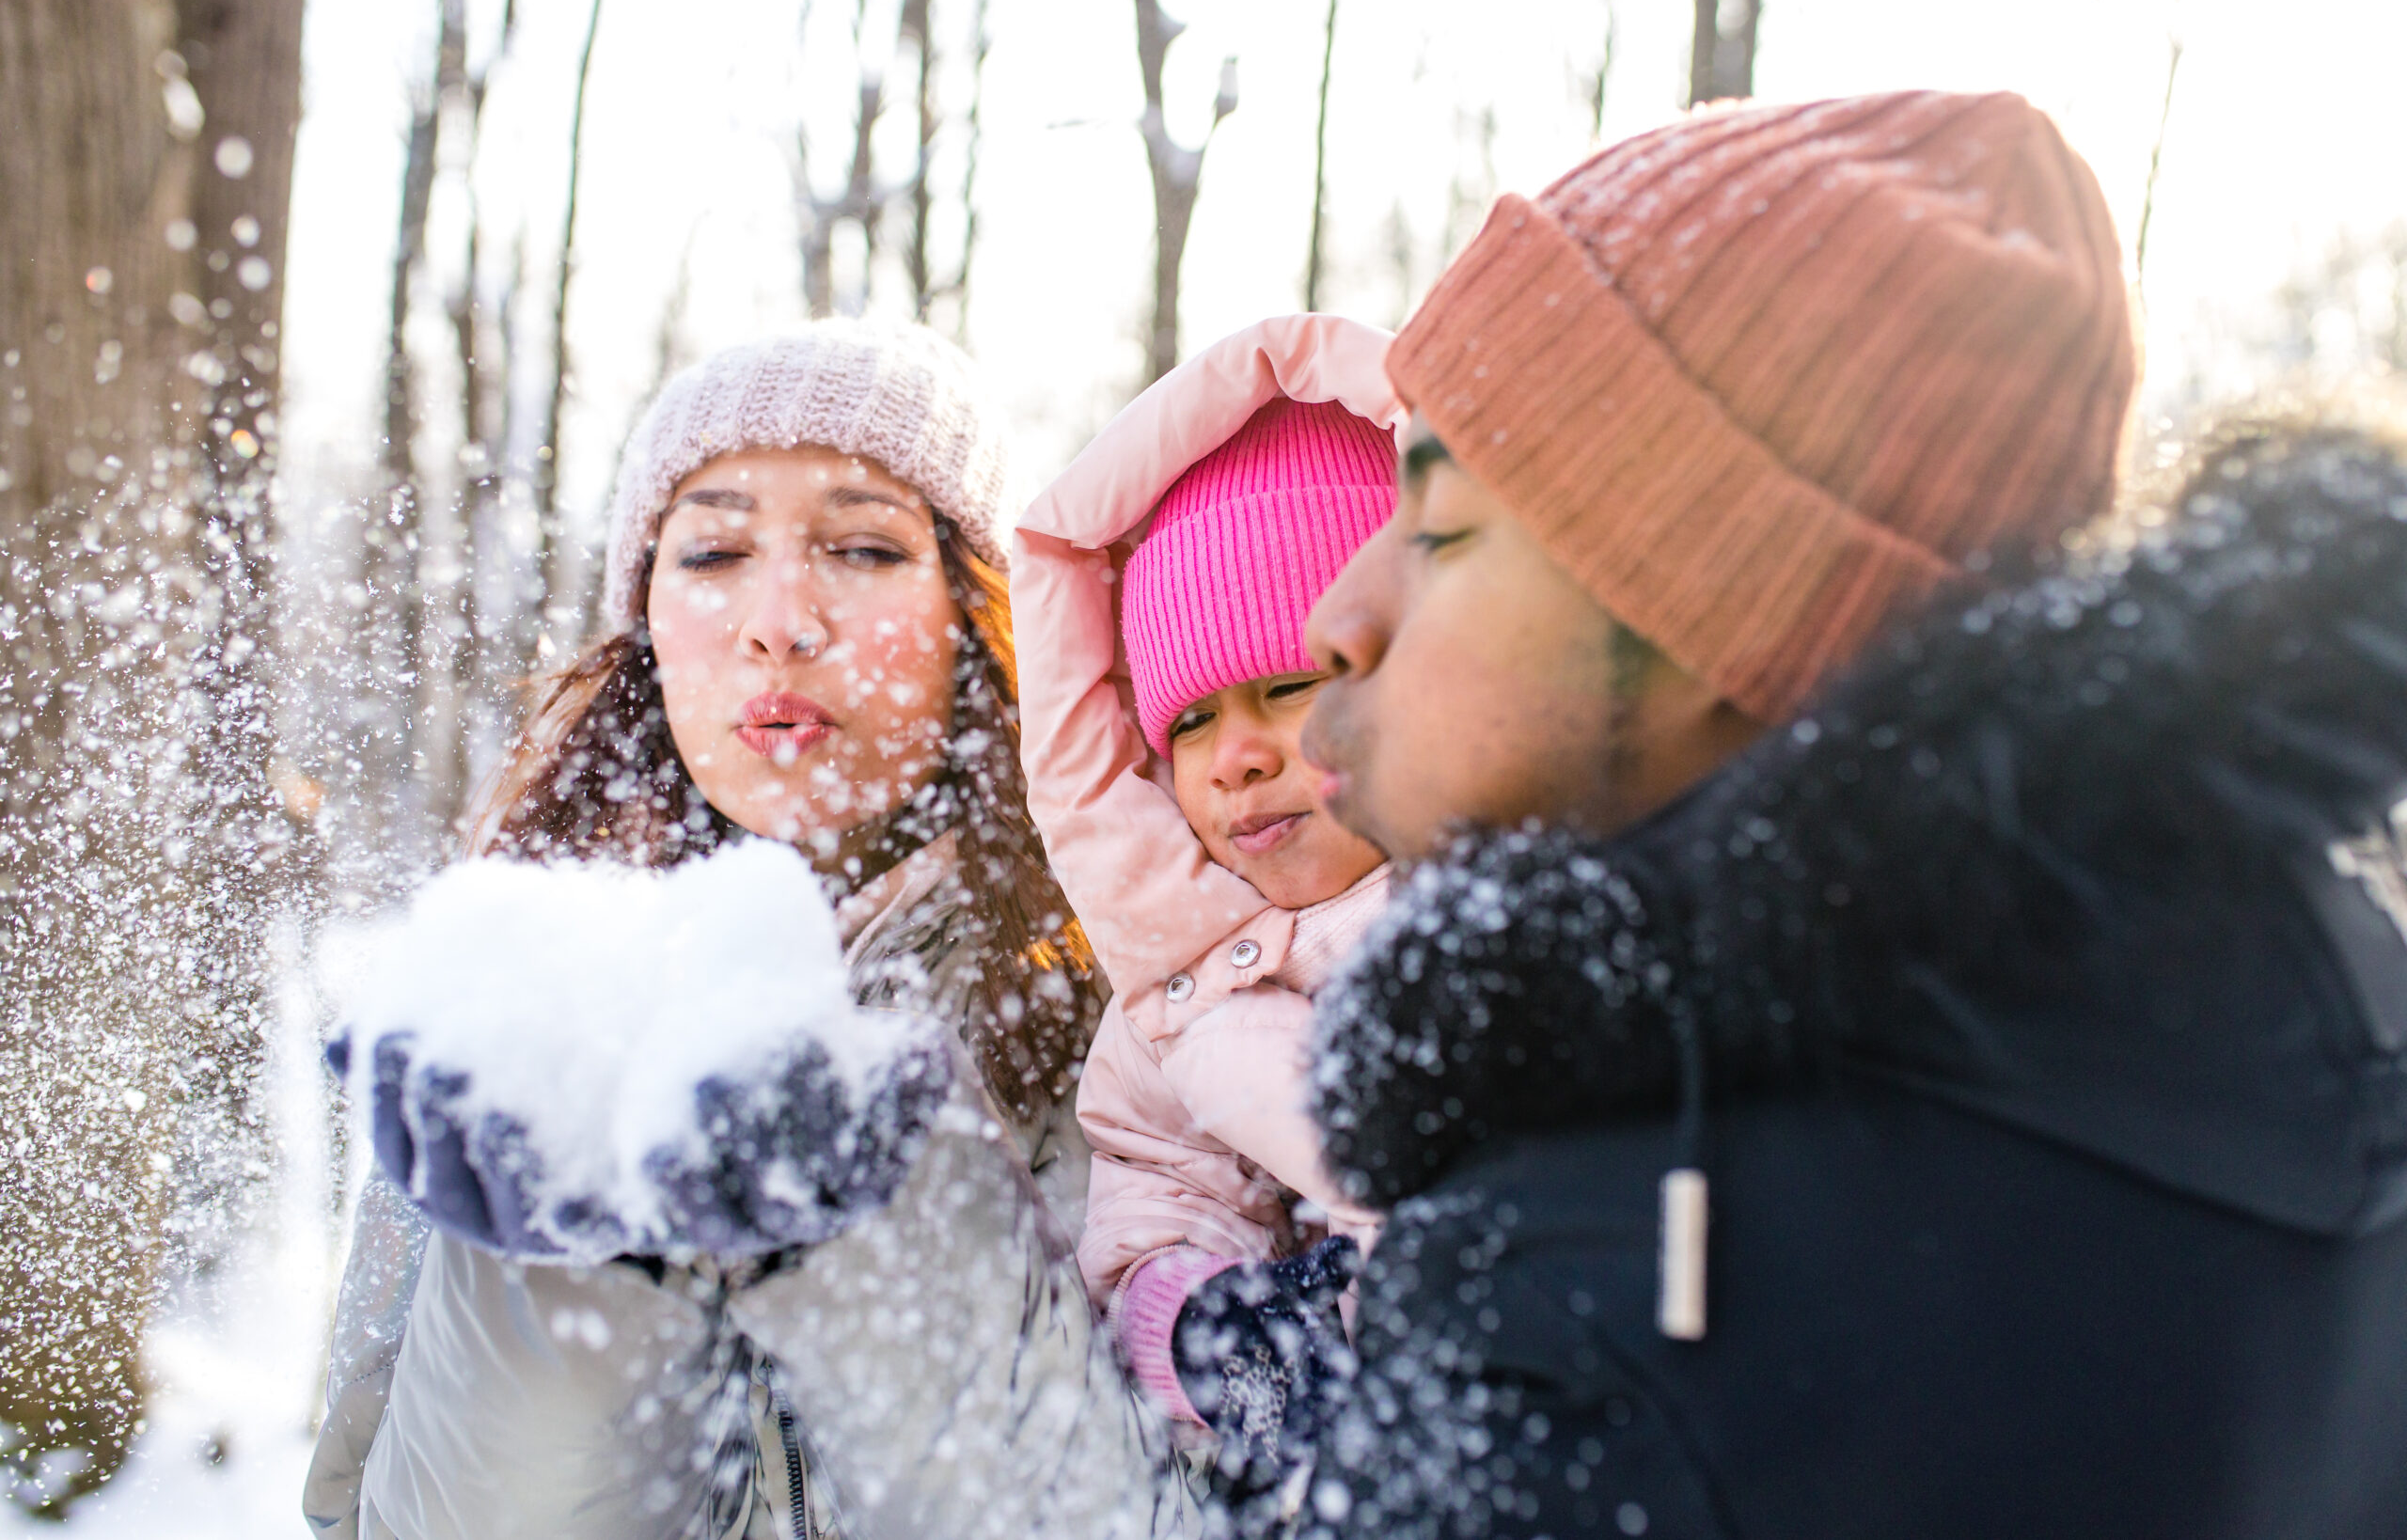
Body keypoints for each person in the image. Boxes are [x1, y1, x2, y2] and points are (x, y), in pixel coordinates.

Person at [1289, 89, 2407, 1537]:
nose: (1335, 615)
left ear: (1714, 604)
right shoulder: (2328, 1043)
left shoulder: (1598, 1308)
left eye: (1440, 527)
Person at [303, 323, 1185, 1540]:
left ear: (975, 621)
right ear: (649, 625)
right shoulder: (524, 1018)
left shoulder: (1140, 1003)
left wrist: (884, 1195)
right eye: (714, 547)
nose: (780, 617)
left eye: (865, 544)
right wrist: (561, 1276)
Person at [1014, 316, 1398, 1491]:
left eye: (1287, 688)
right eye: (1186, 722)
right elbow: (1157, 1208)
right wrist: (1214, 1330)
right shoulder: (1179, 998)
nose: (1231, 758)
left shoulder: (1519, 910)